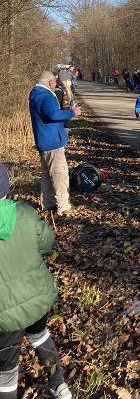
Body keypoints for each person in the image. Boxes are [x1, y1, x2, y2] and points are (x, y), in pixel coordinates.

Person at [0, 164, 72, 398]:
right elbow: (47, 241)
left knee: (7, 371)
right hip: (36, 297)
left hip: (5, 313)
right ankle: (59, 384)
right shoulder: (24, 212)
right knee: (40, 337)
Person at [29, 71, 81, 215]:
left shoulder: (35, 93)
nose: (55, 85)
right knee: (60, 174)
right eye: (54, 82)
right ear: (49, 82)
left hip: (43, 140)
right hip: (52, 141)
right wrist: (72, 112)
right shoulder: (45, 96)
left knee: (46, 174)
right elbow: (53, 115)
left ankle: (47, 203)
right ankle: (63, 207)